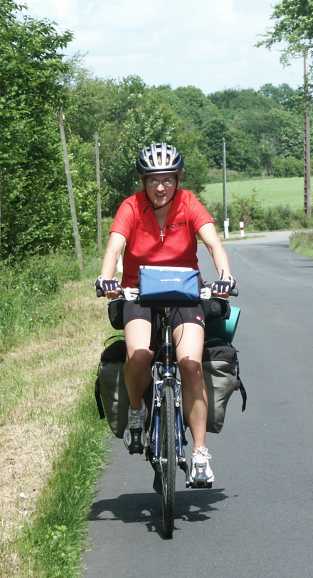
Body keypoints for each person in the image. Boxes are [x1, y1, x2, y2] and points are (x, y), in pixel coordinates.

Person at [96, 142, 236, 486]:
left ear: (178, 179)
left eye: (168, 179)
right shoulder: (131, 207)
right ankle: (135, 409)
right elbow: (115, 246)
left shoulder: (189, 204)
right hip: (138, 293)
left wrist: (225, 275)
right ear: (143, 181)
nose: (161, 187)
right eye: (154, 179)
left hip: (184, 294)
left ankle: (200, 453)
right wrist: (106, 277)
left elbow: (212, 242)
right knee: (139, 354)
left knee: (190, 363)